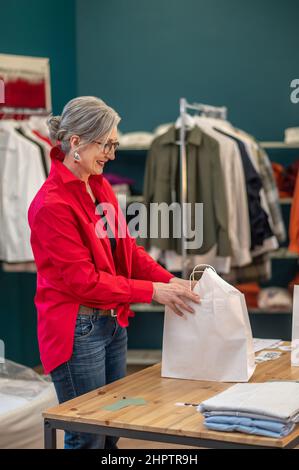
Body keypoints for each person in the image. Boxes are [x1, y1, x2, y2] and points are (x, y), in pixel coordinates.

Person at [28, 96, 200, 449]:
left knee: (112, 429)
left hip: (111, 323)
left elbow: (128, 251)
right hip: (76, 330)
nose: (112, 154)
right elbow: (83, 282)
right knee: (88, 435)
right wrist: (152, 292)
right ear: (76, 142)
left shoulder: (99, 185)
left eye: (114, 144)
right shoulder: (51, 205)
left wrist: (170, 280)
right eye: (105, 144)